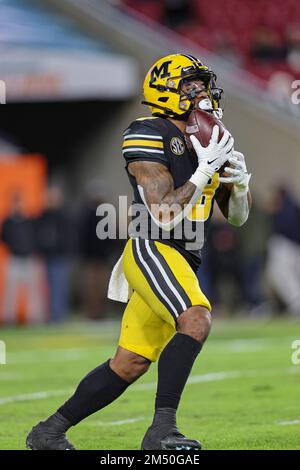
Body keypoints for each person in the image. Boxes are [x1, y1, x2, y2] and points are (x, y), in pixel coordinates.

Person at [26, 53, 252, 450]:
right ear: (166, 91)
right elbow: (163, 212)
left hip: (184, 256)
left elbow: (236, 218)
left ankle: (48, 431)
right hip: (153, 246)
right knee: (196, 319)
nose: (201, 92)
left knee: (128, 364)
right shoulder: (147, 131)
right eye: (190, 85)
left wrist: (240, 184)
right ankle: (162, 430)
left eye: (202, 83)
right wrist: (203, 170)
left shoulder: (208, 135)